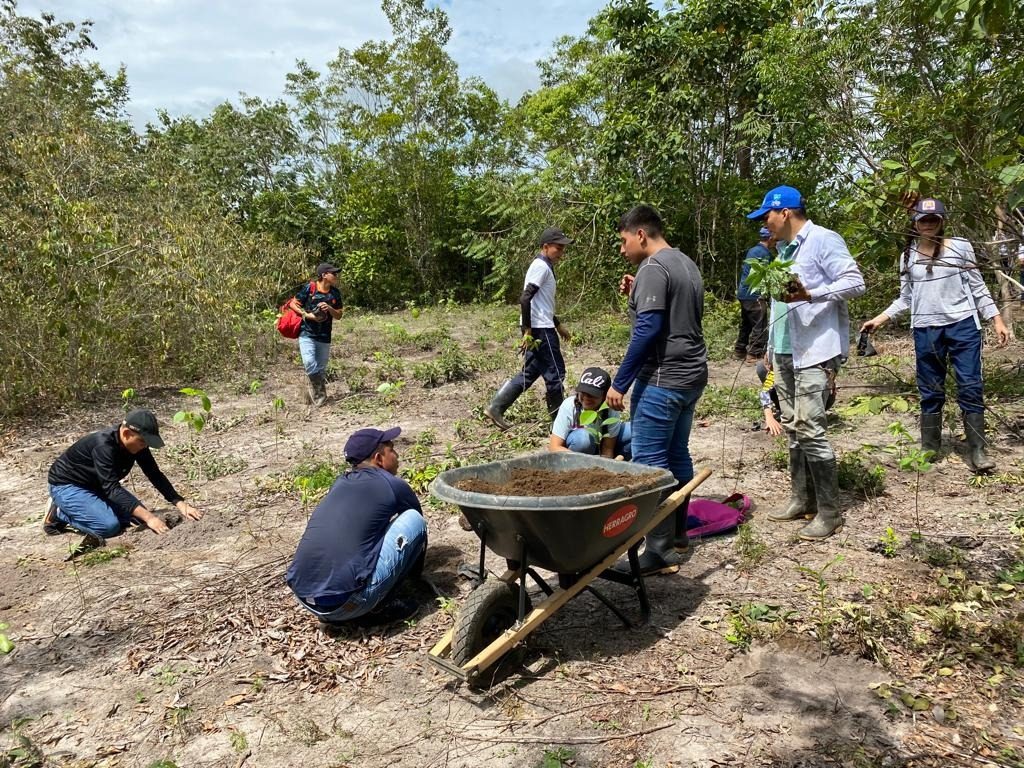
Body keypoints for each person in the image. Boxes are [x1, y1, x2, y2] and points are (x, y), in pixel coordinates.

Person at [747, 185, 865, 540]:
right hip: (785, 348)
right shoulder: (783, 250)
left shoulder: (823, 240)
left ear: (785, 213)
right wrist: (770, 343)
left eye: (767, 215)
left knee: (811, 426)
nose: (765, 224)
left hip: (815, 349)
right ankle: (801, 498)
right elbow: (781, 304)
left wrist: (812, 293)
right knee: (793, 425)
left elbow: (856, 282)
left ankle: (830, 512)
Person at [861, 197, 1009, 472]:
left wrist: (996, 319)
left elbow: (978, 287)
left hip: (963, 325)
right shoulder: (907, 255)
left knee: (970, 385)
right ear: (915, 223)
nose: (928, 224)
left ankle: (977, 450)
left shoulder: (961, 247)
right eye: (923, 220)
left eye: (933, 219)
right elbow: (905, 297)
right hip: (925, 328)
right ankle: (930, 447)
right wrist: (878, 319)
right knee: (930, 390)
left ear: (942, 221)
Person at [607, 205, 708, 575]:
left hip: (663, 379)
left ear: (641, 236)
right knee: (677, 452)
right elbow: (674, 312)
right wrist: (638, 294)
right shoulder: (684, 262)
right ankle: (678, 536)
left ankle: (659, 551)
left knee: (650, 462)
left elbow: (648, 331)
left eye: (623, 241)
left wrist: (621, 382)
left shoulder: (652, 268)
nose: (622, 249)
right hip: (692, 375)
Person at [286, 427, 427, 629]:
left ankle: (340, 609)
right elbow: (417, 526)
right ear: (379, 458)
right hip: (351, 603)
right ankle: (381, 606)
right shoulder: (392, 484)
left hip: (305, 599)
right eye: (392, 450)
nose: (397, 456)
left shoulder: (340, 483)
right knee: (414, 520)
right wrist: (414, 577)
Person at [44, 409, 204, 551]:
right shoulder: (104, 446)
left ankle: (86, 507)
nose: (144, 446)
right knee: (109, 527)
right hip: (68, 485)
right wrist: (150, 518)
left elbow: (154, 474)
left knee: (133, 518)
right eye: (143, 442)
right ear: (127, 434)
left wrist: (180, 503)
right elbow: (112, 489)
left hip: (98, 485)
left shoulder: (138, 444)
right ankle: (59, 512)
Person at [484, 227, 574, 430]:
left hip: (542, 326)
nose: (561, 252)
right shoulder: (541, 267)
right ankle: (560, 425)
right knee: (556, 373)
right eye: (558, 248)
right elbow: (525, 298)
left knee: (531, 371)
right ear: (545, 247)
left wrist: (558, 325)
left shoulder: (544, 266)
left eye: (563, 248)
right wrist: (528, 330)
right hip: (540, 330)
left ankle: (496, 407)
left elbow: (541, 304)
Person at [288, 263, 344, 407]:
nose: (336, 276)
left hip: (325, 335)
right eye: (333, 273)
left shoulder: (335, 293)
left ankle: (316, 394)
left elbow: (339, 315)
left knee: (320, 367)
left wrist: (330, 308)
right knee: (309, 363)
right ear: (324, 275)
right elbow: (293, 304)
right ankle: (320, 395)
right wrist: (307, 315)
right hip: (307, 333)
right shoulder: (310, 288)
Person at [549, 367, 632, 459]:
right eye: (583, 393)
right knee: (583, 439)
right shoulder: (569, 406)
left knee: (633, 430)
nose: (586, 398)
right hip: (576, 454)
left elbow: (607, 448)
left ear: (604, 396)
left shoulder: (610, 409)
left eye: (592, 395)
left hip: (601, 449)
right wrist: (586, 462)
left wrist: (605, 466)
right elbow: (554, 447)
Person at [736, 227, 775, 363]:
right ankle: (754, 353)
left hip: (743, 293)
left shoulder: (752, 250)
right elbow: (770, 275)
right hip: (754, 294)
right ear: (770, 238)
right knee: (760, 324)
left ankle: (740, 350)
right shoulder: (765, 254)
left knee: (746, 323)